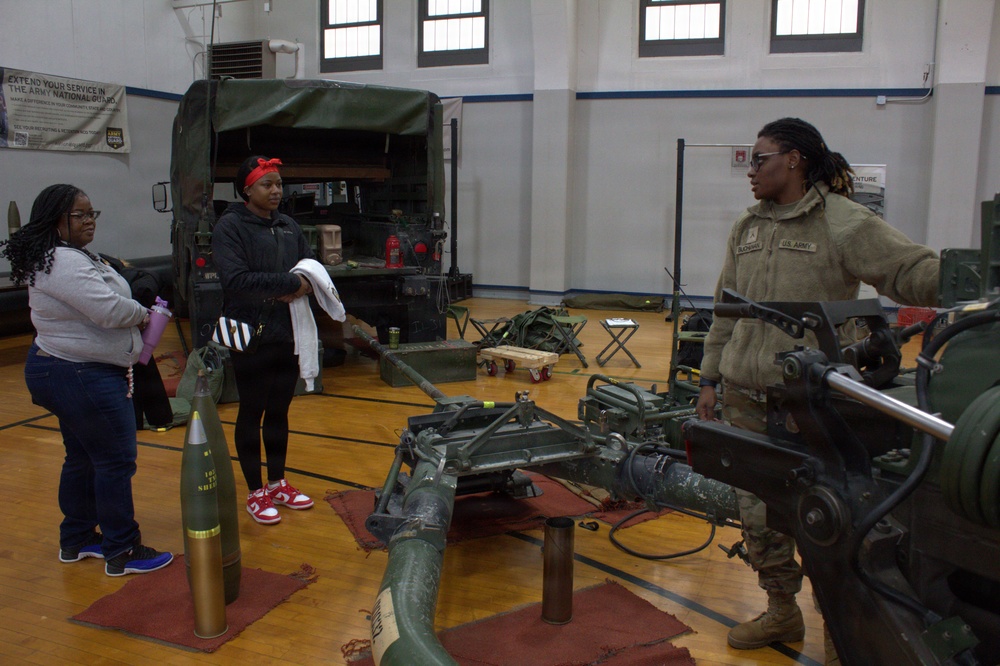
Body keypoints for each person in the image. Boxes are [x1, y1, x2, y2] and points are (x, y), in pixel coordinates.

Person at [695, 118, 939, 654]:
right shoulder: (746, 227)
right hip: (744, 396)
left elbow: (907, 269)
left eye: (760, 159)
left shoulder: (842, 222)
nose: (751, 170)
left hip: (809, 405)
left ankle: (841, 639)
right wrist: (710, 377)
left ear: (795, 159)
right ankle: (781, 611)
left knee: (830, 521)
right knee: (759, 519)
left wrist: (964, 279)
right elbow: (724, 308)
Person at [0, 184, 174, 576]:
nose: (89, 220)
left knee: (82, 457)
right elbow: (108, 310)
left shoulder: (70, 255)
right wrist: (143, 314)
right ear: (56, 221)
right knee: (115, 460)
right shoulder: (62, 260)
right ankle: (122, 550)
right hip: (79, 373)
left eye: (92, 213)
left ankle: (77, 538)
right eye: (79, 214)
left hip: (67, 369)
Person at [212, 155, 316, 525]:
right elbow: (236, 280)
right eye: (266, 184)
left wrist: (304, 283)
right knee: (251, 410)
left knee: (279, 411)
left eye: (278, 184)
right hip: (249, 335)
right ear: (247, 190)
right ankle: (255, 491)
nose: (275, 191)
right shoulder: (230, 227)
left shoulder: (288, 225)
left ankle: (277, 482)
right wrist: (290, 284)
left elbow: (311, 267)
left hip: (287, 332)